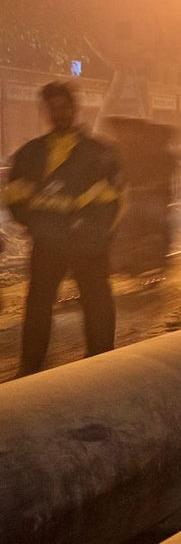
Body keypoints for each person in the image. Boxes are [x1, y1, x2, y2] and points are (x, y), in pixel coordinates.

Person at [4, 82, 123, 377]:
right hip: (49, 243)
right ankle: (31, 369)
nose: (59, 114)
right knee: (38, 305)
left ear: (74, 108)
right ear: (46, 111)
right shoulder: (30, 155)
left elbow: (115, 199)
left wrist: (97, 235)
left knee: (96, 301)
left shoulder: (100, 153)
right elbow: (15, 197)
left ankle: (102, 364)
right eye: (53, 108)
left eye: (64, 107)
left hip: (88, 245)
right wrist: (38, 228)